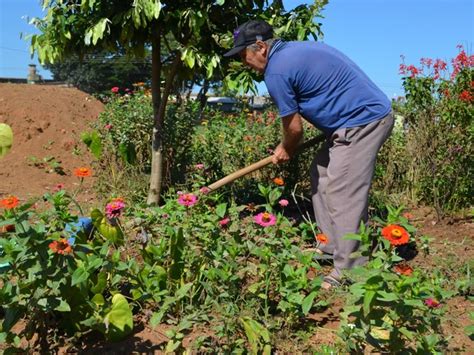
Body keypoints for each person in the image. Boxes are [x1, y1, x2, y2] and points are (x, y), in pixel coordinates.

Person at [224, 19, 394, 289]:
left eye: (244, 55)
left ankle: (350, 270)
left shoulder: (276, 71)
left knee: (343, 190)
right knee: (322, 172)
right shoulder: (295, 51)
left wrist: (285, 149)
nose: (244, 62)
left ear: (260, 47)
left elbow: (294, 129)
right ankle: (330, 246)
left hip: (363, 121)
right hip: (351, 121)